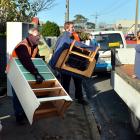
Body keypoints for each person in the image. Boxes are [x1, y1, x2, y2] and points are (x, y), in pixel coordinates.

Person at [49, 21, 97, 105]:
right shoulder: (65, 36)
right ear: (67, 28)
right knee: (66, 83)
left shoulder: (73, 35)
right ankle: (65, 99)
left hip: (75, 63)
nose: (73, 28)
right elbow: (71, 44)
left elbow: (79, 41)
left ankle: (79, 98)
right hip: (65, 63)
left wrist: (87, 42)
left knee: (78, 82)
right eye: (72, 27)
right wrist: (90, 47)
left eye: (73, 27)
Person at [11, 28, 44, 124]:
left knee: (26, 94)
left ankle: (25, 112)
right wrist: (36, 73)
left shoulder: (35, 46)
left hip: (25, 72)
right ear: (30, 36)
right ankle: (19, 116)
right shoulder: (22, 46)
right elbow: (26, 60)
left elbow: (36, 60)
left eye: (39, 35)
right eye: (36, 35)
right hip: (15, 72)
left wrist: (40, 71)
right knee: (18, 95)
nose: (38, 37)